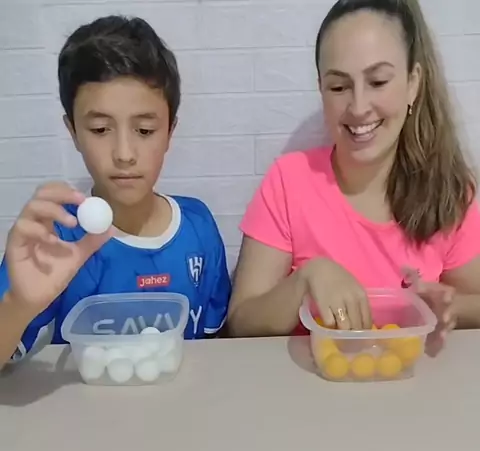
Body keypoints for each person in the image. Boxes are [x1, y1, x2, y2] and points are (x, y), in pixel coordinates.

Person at [228, 0, 480, 349]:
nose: (359, 107)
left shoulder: (449, 192)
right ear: (321, 89)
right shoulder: (289, 182)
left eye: (377, 81)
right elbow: (241, 322)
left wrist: (446, 308)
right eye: (339, 87)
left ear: (413, 83)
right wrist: (305, 279)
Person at [0, 16, 231, 369]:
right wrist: (18, 306)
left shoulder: (198, 227)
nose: (124, 153)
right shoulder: (56, 237)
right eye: (100, 129)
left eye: (144, 130)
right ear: (73, 132)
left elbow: (219, 343)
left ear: (170, 131)